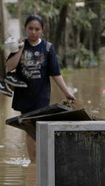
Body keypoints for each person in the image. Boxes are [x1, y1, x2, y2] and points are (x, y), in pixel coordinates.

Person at [6, 14, 75, 162]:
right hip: (24, 94)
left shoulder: (48, 48)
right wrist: (20, 48)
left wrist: (67, 92)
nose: (33, 32)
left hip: (41, 94)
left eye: (37, 29)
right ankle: (33, 162)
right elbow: (10, 66)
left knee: (38, 126)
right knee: (29, 128)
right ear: (25, 28)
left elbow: (55, 73)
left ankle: (40, 161)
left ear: (42, 30)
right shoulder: (18, 45)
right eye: (30, 28)